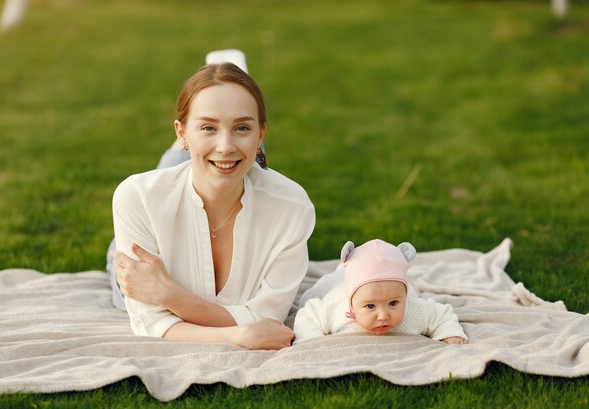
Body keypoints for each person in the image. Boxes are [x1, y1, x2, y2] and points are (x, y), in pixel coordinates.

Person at [109, 62, 315, 350]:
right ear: (180, 131)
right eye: (209, 126)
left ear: (262, 133)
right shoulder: (137, 198)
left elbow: (266, 318)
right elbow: (149, 321)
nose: (226, 144)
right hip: (153, 225)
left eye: (242, 127)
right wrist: (238, 334)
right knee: (176, 171)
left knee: (221, 161)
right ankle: (195, 138)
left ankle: (221, 124)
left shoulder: (292, 208)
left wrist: (167, 295)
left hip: (229, 172)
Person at [293, 239, 468, 345]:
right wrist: (311, 341)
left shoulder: (414, 310)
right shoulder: (335, 308)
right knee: (316, 293)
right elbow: (307, 316)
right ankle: (345, 270)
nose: (383, 315)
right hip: (339, 283)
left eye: (393, 303)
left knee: (398, 287)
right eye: (370, 306)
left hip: (394, 283)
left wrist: (449, 332)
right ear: (352, 303)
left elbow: (441, 315)